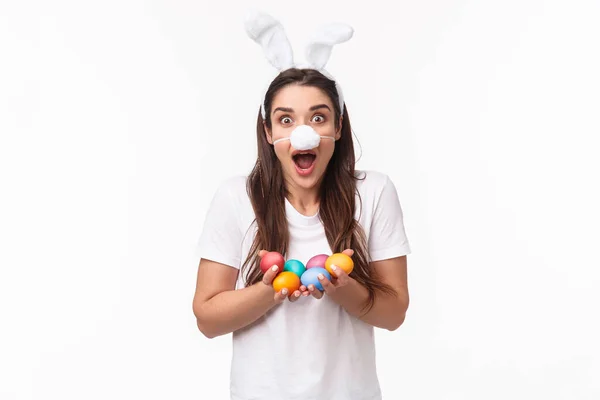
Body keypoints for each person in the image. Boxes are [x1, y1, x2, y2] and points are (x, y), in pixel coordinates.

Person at [192, 11, 411, 400]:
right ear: (268, 131)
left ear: (338, 126)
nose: (303, 132)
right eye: (286, 119)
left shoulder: (374, 192)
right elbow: (206, 318)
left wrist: (342, 288)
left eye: (318, 117)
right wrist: (269, 291)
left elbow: (394, 313)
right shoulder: (235, 197)